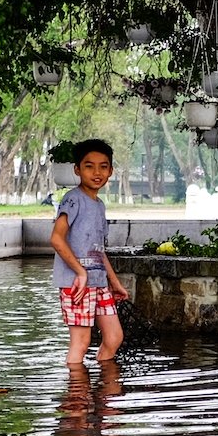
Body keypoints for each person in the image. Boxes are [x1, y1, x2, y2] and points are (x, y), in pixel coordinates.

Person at [49, 139, 126, 366]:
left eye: (103, 166)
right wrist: (80, 272)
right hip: (77, 284)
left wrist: (114, 283)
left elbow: (98, 251)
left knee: (113, 338)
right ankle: (77, 398)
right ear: (77, 169)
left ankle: (103, 395)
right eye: (89, 166)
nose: (97, 172)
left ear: (110, 170)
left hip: (99, 282)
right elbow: (56, 238)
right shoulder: (73, 199)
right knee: (81, 343)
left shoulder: (99, 204)